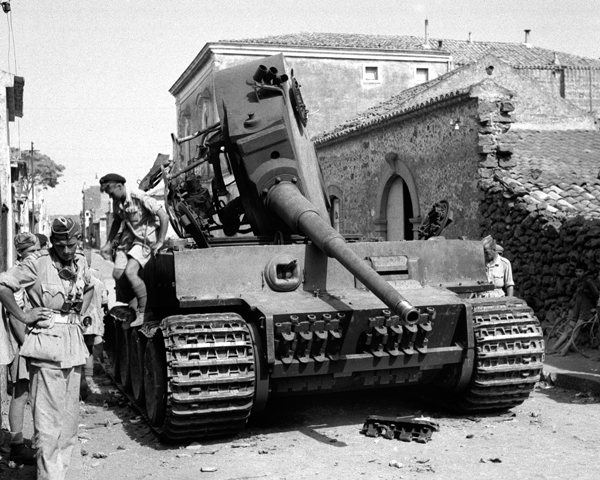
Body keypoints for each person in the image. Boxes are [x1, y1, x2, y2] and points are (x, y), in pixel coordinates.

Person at [0, 217, 93, 480]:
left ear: (78, 241)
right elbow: (3, 286)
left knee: (68, 427)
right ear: (52, 241)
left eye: (70, 245)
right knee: (48, 428)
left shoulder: (81, 261)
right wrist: (24, 315)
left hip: (73, 348)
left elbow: (89, 287)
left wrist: (80, 315)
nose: (65, 250)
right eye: (60, 244)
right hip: (46, 349)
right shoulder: (37, 263)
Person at [99, 173, 168, 327]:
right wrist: (109, 243)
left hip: (145, 239)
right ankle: (133, 309)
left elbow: (164, 216)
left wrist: (160, 241)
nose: (111, 197)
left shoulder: (139, 197)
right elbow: (117, 221)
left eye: (111, 193)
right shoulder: (118, 201)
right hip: (130, 238)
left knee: (131, 272)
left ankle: (144, 312)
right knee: (118, 274)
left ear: (119, 186)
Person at [6, 233, 41, 465]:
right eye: (31, 252)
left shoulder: (28, 269)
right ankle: (17, 446)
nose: (35, 256)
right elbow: (16, 316)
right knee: (21, 394)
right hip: (24, 344)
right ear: (20, 253)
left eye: (37, 251)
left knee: (28, 393)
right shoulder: (18, 274)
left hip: (28, 342)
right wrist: (27, 345)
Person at [549, 261, 599, 356]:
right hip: (578, 308)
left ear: (585, 272)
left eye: (580, 271)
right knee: (568, 329)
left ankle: (564, 350)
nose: (578, 273)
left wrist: (596, 309)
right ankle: (554, 348)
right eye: (576, 271)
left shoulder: (589, 281)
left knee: (576, 330)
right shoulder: (579, 281)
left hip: (586, 309)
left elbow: (597, 294)